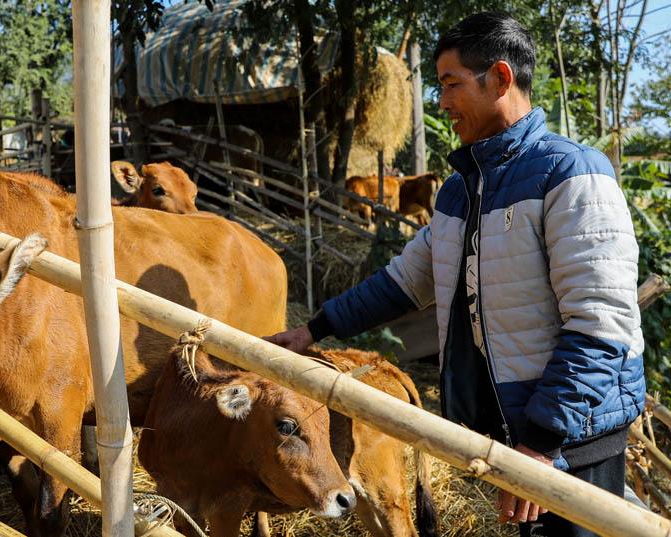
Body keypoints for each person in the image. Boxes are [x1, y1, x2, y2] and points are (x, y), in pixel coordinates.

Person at [266, 11, 644, 537]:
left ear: (502, 79)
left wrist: (540, 445)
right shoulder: (461, 190)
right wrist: (313, 329)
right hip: (514, 433)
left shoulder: (572, 173)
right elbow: (403, 280)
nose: (441, 103)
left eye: (451, 85)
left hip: (571, 436)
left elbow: (600, 325)